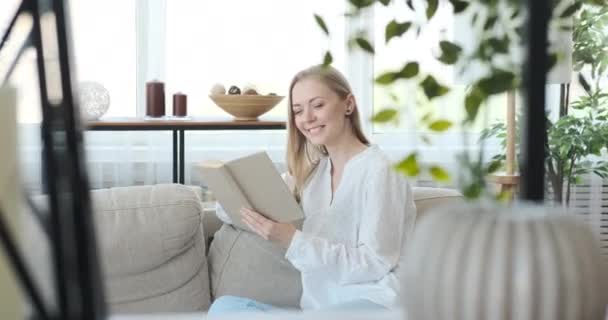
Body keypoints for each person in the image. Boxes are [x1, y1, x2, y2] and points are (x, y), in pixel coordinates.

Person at [207, 65, 417, 315]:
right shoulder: (311, 174)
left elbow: (375, 263)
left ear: (348, 105)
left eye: (317, 105)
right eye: (298, 110)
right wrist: (247, 188)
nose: (306, 118)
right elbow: (227, 212)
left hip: (375, 304)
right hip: (321, 310)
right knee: (225, 308)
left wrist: (291, 240)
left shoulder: (382, 169)